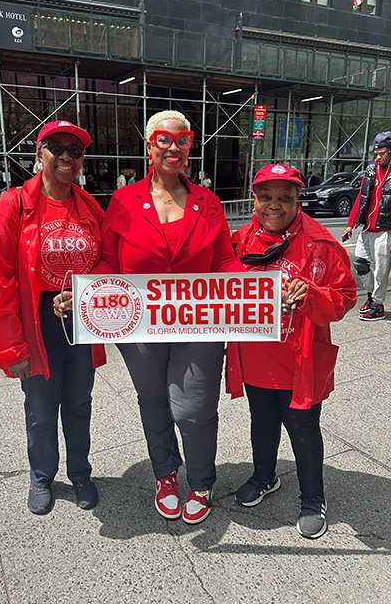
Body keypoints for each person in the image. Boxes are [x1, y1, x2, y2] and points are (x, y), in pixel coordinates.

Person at [88, 110, 243, 525]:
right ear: (149, 146)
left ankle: (201, 481)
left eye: (182, 140)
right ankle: (165, 475)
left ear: (190, 146)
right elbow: (108, 262)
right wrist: (83, 290)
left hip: (201, 320)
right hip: (139, 322)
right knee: (154, 401)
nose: (173, 147)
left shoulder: (208, 202)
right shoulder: (123, 200)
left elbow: (224, 262)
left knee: (193, 408)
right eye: (164, 139)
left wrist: (259, 286)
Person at [0, 120, 106, 516]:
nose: (66, 156)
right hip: (36, 321)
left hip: (80, 318)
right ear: (39, 152)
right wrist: (11, 346)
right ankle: (42, 475)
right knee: (41, 407)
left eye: (75, 150)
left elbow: (107, 261)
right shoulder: (12, 205)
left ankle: (80, 473)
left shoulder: (90, 207)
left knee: (79, 402)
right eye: (57, 148)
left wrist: (86, 292)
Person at [227, 163, 356, 539]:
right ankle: (264, 476)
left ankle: (313, 499)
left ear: (298, 199)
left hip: (299, 359)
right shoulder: (241, 239)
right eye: (266, 196)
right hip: (255, 357)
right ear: (254, 199)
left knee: (303, 427)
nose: (274, 205)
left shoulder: (321, 243)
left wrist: (311, 293)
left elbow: (345, 296)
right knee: (262, 420)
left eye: (285, 197)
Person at [343, 132, 391, 321]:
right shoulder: (371, 171)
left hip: (385, 231)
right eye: (375, 154)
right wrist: (350, 225)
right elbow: (360, 200)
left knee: (381, 270)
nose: (377, 158)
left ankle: (378, 305)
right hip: (367, 229)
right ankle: (371, 296)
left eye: (381, 154)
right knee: (360, 264)